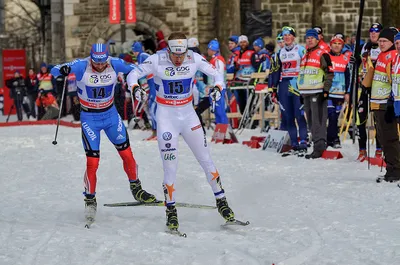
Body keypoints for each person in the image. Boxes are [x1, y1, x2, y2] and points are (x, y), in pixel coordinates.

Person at [127, 32, 236, 231]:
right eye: (174, 55)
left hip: (188, 116)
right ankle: (171, 210)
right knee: (170, 166)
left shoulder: (193, 58)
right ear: (168, 50)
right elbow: (132, 73)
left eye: (181, 54)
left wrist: (218, 88)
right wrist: (135, 88)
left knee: (205, 159)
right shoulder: (157, 59)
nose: (178, 59)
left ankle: (222, 202)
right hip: (166, 117)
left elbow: (217, 73)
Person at [50, 43, 157, 222]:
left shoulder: (115, 63)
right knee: (92, 162)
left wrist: (145, 72)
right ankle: (90, 199)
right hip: (90, 119)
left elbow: (137, 70)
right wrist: (64, 70)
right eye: (96, 62)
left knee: (127, 155)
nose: (99, 66)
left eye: (103, 63)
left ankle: (136, 189)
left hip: (110, 116)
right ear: (91, 58)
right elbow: (54, 70)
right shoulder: (82, 65)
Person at [363, 28, 399, 182]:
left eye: (385, 41)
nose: (381, 43)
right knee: (383, 138)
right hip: (377, 102)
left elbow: (395, 81)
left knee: (390, 139)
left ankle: (395, 169)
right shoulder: (381, 55)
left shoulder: (393, 56)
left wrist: (391, 101)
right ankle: (390, 167)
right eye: (380, 41)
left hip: (386, 103)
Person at [268, 26, 308, 154]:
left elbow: (307, 66)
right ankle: (294, 143)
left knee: (299, 115)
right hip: (284, 85)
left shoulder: (301, 50)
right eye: (284, 35)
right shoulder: (279, 53)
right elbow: (275, 72)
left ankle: (303, 141)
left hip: (297, 84)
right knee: (288, 116)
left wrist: (305, 85)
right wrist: (273, 89)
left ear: (293, 37)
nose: (286, 37)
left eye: (289, 35)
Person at [298, 29, 334, 159]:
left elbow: (330, 72)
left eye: (312, 38)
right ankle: (316, 144)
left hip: (318, 92)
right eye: (307, 38)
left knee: (318, 120)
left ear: (317, 39)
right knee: (311, 122)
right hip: (306, 92)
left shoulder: (322, 54)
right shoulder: (305, 55)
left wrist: (326, 90)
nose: (309, 40)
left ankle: (319, 146)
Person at [354, 23, 383, 161]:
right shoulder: (365, 47)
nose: (373, 34)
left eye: (376, 32)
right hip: (365, 87)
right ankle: (362, 150)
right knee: (361, 118)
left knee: (378, 120)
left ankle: (379, 149)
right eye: (371, 31)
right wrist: (355, 61)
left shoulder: (384, 48)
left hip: (378, 89)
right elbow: (359, 63)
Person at [327, 34, 352, 148]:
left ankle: (330, 139)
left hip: (340, 93)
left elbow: (348, 77)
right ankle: (334, 138)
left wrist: (348, 92)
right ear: (330, 45)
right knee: (331, 115)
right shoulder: (326, 57)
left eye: (339, 44)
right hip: (328, 92)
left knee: (335, 117)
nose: (336, 46)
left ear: (342, 46)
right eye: (334, 43)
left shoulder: (345, 59)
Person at [132, 41, 158, 140]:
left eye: (133, 51)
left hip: (153, 88)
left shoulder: (142, 56)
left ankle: (157, 133)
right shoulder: (144, 55)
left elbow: (143, 72)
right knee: (151, 110)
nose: (133, 53)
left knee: (153, 110)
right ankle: (155, 132)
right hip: (152, 86)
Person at [207, 39, 229, 124]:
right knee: (216, 111)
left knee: (220, 111)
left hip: (218, 88)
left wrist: (217, 88)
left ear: (212, 49)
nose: (207, 51)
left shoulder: (218, 60)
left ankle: (224, 129)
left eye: (208, 49)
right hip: (213, 88)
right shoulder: (213, 59)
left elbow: (220, 75)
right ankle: (219, 130)